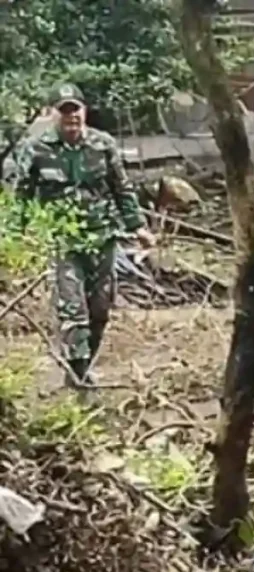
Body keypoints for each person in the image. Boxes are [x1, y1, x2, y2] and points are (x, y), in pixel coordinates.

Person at [12, 83, 154, 389]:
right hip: (63, 240)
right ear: (53, 114)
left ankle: (82, 365)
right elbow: (22, 195)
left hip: (102, 238)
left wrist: (138, 227)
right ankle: (78, 376)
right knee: (73, 310)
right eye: (64, 111)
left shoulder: (103, 145)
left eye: (75, 109)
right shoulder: (37, 148)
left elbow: (122, 188)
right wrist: (15, 236)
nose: (71, 117)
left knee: (100, 310)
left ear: (84, 111)